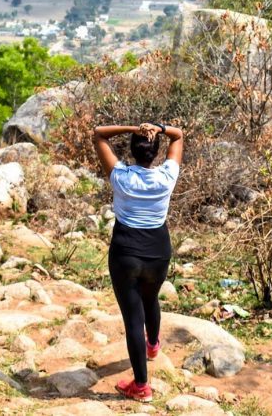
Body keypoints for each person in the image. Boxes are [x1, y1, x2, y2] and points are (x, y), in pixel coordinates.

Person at [92, 121, 184, 403]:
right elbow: (178, 135)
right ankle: (153, 345)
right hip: (158, 252)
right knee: (151, 299)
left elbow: (98, 134)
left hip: (125, 254)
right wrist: (157, 127)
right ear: (156, 153)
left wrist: (134, 127)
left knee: (133, 318)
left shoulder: (120, 176)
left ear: (131, 151)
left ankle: (141, 385)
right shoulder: (167, 176)